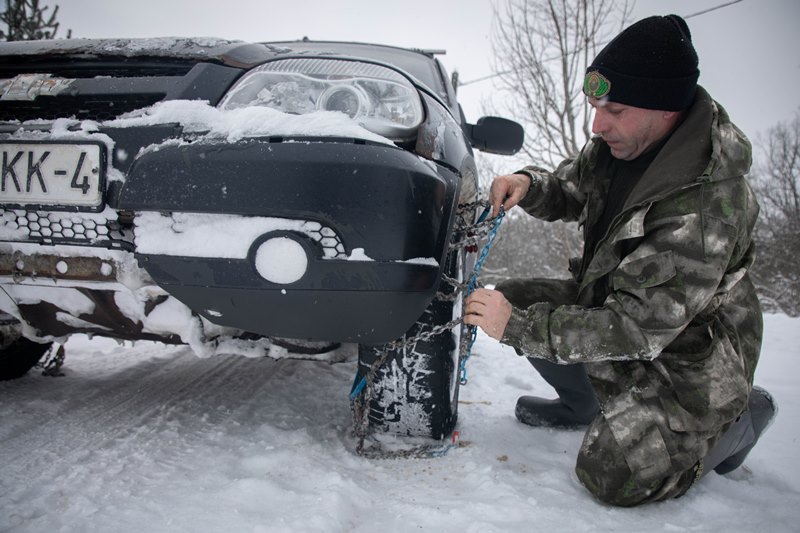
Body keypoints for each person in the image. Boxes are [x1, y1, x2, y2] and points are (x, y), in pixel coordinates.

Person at [464, 14, 776, 506]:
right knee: (514, 299)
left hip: (690, 360)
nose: (597, 123)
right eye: (595, 106)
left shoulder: (703, 207)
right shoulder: (623, 143)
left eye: (615, 109)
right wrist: (528, 184)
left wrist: (519, 329)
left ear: (666, 109)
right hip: (623, 312)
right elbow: (571, 189)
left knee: (611, 475)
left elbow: (636, 329)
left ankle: (733, 426)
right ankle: (586, 403)